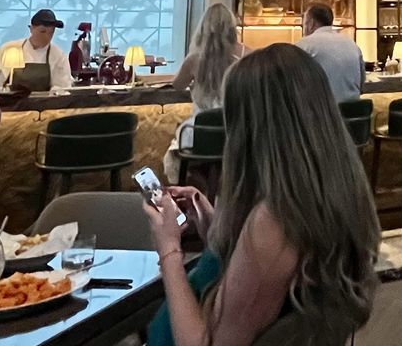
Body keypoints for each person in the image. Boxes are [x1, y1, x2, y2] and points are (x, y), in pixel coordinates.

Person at [143, 44, 378, 346]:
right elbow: (264, 275)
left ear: (249, 126)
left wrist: (169, 250)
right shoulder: (336, 190)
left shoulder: (275, 222)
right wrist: (215, 226)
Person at [166, 3, 245, 175]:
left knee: (179, 143)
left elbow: (177, 85)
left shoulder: (194, 60)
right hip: (235, 132)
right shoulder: (246, 55)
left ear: (203, 27)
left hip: (201, 132)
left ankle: (193, 188)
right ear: (232, 27)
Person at [294, 4, 363, 102]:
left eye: (304, 23)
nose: (304, 28)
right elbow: (362, 85)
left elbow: (293, 84)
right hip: (353, 114)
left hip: (321, 115)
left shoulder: (303, 46)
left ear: (311, 23)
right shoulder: (352, 44)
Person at [0, 8, 73, 90]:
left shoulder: (58, 56)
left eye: (51, 33)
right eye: (42, 31)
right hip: (10, 101)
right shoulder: (9, 49)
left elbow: (63, 87)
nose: (46, 36)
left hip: (43, 102)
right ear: (31, 29)